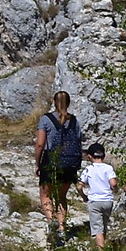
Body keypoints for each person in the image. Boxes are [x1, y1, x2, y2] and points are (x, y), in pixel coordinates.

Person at [32, 92, 83, 238]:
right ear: (69, 102)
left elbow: (40, 144)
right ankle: (61, 227)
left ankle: (51, 222)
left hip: (51, 160)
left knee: (45, 195)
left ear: (54, 102)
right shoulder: (74, 120)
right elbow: (78, 141)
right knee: (61, 196)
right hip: (69, 162)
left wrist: (38, 163)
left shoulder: (46, 120)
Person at [79, 144, 117, 245]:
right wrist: (115, 190)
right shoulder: (108, 168)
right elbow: (113, 183)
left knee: (97, 229)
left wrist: (84, 196)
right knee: (104, 225)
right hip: (107, 200)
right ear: (103, 156)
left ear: (89, 156)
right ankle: (103, 245)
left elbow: (79, 186)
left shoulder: (88, 169)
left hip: (94, 201)